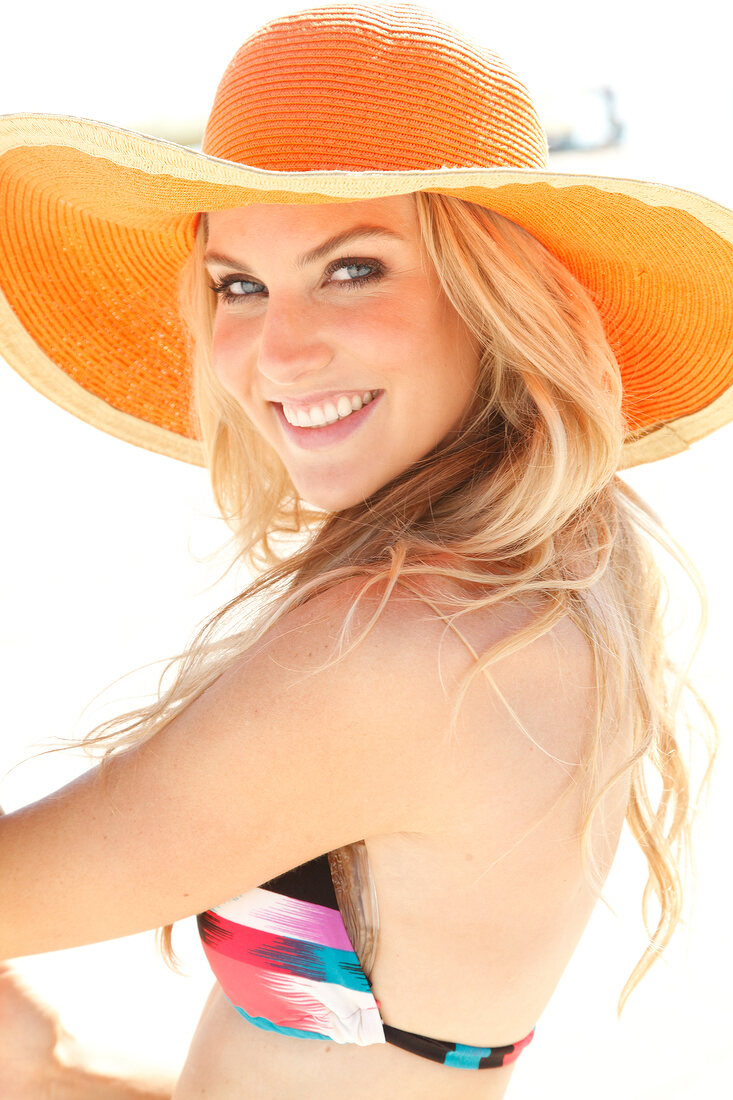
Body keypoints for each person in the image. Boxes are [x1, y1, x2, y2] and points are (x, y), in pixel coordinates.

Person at [0, 4, 729, 1097]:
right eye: (238, 283)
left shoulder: (402, 643)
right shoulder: (553, 567)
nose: (276, 350)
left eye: (353, 269)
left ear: (495, 297)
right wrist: (52, 1071)